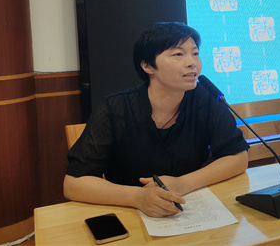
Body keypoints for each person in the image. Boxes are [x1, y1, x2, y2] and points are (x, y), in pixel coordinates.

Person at [63, 22, 249, 217]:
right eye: (178, 54)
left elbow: (238, 157)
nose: (192, 62)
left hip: (188, 208)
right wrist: (137, 197)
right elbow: (73, 183)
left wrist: (182, 183)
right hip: (129, 212)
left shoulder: (206, 98)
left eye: (195, 53)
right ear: (148, 65)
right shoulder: (114, 109)